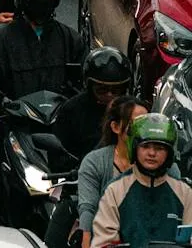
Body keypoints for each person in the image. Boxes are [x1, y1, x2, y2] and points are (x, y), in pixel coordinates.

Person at [79, 99, 171, 248]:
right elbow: (88, 208)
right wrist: (87, 240)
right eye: (136, 124)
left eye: (147, 123)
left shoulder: (166, 164)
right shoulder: (94, 162)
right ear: (116, 127)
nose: (143, 129)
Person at [91, 113, 192, 248]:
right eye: (145, 146)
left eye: (159, 148)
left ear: (170, 152)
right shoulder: (115, 191)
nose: (152, 153)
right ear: (134, 147)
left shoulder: (185, 193)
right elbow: (102, 241)